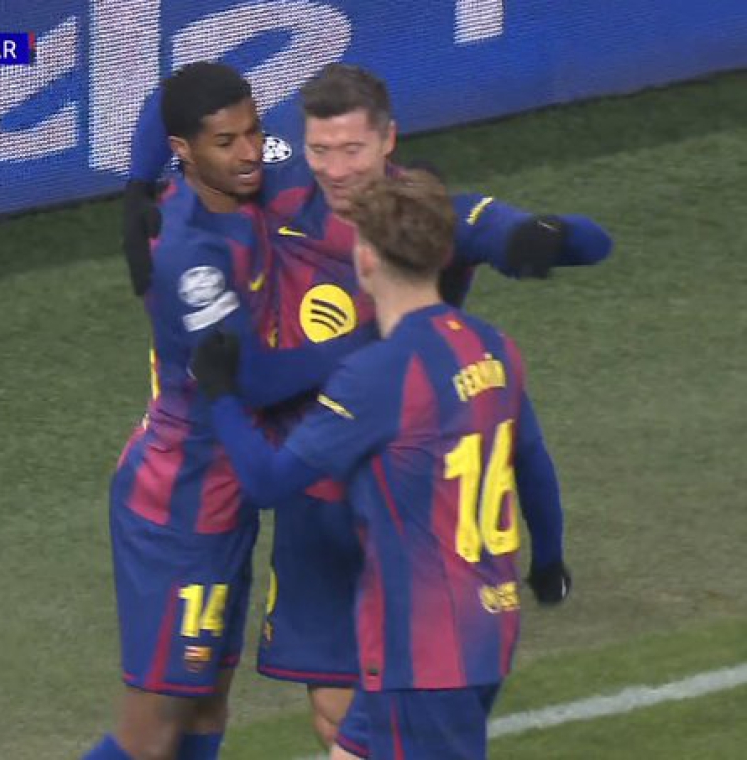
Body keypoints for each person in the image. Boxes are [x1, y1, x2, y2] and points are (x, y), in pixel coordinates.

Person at [121, 62, 610, 748]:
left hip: (402, 495)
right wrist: (136, 186)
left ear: (387, 140)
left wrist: (543, 234)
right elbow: (177, 97)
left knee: (377, 722)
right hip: (314, 489)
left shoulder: (420, 217)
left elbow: (528, 232)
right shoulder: (278, 174)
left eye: (352, 149)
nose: (335, 168)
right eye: (321, 149)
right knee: (332, 714)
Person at [191, 170, 572, 759]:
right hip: (479, 627)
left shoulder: (380, 374)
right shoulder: (492, 346)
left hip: (425, 653)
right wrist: (548, 560)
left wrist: (220, 395)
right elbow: (533, 462)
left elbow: (268, 481)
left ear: (365, 258)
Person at [82, 62, 368, 760]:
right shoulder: (193, 258)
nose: (249, 153)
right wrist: (365, 343)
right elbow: (254, 384)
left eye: (254, 132)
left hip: (227, 495)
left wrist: (132, 186)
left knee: (206, 704)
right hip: (181, 505)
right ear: (184, 150)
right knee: (153, 731)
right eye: (226, 141)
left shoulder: (241, 171)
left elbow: (167, 95)